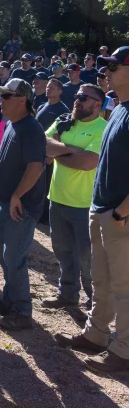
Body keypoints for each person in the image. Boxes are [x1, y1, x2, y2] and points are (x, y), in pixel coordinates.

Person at [56, 46, 129, 374]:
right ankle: (97, 335)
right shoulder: (117, 110)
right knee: (101, 281)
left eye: (113, 66)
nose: (106, 72)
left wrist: (123, 211)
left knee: (125, 286)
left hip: (120, 215)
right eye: (105, 66)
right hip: (101, 209)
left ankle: (125, 351)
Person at [0, 78, 46, 330]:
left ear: (22, 100)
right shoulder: (11, 124)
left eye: (6, 96)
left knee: (14, 257)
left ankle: (22, 310)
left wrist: (17, 195)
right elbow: (1, 156)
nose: (1, 100)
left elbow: (36, 167)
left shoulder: (31, 128)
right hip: (7, 201)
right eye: (1, 96)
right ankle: (9, 300)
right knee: (3, 255)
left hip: (22, 205)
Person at [42, 83, 106, 312]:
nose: (77, 100)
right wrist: (72, 151)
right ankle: (67, 294)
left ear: (97, 103)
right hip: (57, 198)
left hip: (85, 205)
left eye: (84, 97)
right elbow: (44, 144)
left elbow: (88, 163)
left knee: (88, 259)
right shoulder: (63, 120)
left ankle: (93, 303)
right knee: (63, 252)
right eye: (77, 96)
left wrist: (60, 149)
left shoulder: (103, 129)